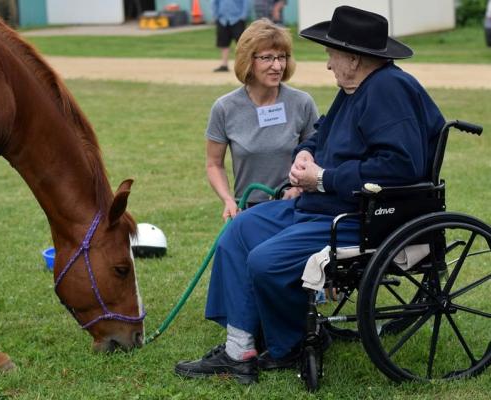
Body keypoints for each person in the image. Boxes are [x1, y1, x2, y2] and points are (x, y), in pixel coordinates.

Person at [174, 5, 445, 384]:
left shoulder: (388, 90)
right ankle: (240, 351)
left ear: (353, 57)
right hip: (321, 205)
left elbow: (400, 167)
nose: (328, 64)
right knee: (238, 233)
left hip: (360, 217)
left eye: (332, 54)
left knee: (266, 261)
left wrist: (324, 177)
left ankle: (290, 345)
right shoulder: (355, 88)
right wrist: (305, 153)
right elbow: (321, 134)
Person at [206, 18, 319, 221]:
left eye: (281, 57)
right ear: (248, 61)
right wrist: (228, 200)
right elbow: (214, 164)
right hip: (247, 209)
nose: (277, 66)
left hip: (295, 206)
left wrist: (299, 187)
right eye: (267, 58)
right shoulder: (224, 108)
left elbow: (319, 153)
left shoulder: (302, 103)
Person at [212, 0, 250, 72]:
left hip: (237, 19)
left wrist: (243, 16)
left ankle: (244, 66)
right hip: (222, 20)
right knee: (223, 43)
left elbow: (245, 2)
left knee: (241, 43)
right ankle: (224, 65)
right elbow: (215, 2)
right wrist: (216, 16)